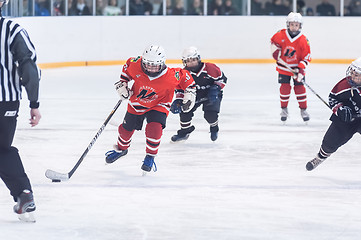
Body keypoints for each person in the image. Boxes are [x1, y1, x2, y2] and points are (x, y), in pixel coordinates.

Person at [105, 45, 196, 172]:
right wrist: (123, 84)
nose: (151, 69)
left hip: (160, 104)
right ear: (143, 61)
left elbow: (188, 82)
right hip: (137, 102)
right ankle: (121, 149)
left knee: (154, 129)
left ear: (162, 64)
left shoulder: (171, 75)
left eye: (155, 66)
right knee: (125, 131)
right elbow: (127, 69)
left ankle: (150, 156)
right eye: (148, 65)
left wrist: (187, 97)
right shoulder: (135, 64)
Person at [0, 0, 41, 222]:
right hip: (6, 102)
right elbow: (28, 67)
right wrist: (34, 103)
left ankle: (23, 193)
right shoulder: (13, 30)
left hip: (6, 101)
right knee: (2, 149)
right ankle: (23, 194)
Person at [306, 58, 361, 171]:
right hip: (346, 120)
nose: (352, 77)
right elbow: (332, 98)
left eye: (356, 75)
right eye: (352, 73)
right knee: (330, 141)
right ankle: (320, 157)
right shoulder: (345, 85)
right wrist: (339, 109)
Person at [170, 47, 227, 142]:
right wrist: (179, 100)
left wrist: (215, 88)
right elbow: (180, 89)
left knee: (210, 115)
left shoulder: (210, 68)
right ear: (184, 62)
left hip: (211, 94)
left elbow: (222, 80)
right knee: (185, 110)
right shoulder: (184, 73)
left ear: (198, 59)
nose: (191, 62)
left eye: (194, 59)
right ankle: (185, 131)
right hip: (194, 95)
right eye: (188, 60)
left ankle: (214, 127)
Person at [270, 12, 311, 122]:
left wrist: (301, 69)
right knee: (284, 88)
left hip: (297, 69)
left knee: (300, 88)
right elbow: (273, 43)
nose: (294, 27)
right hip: (284, 68)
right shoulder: (280, 35)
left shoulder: (303, 40)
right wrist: (275, 50)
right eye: (292, 24)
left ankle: (303, 109)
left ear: (300, 26)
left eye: (296, 25)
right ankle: (284, 109)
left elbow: (306, 57)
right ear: (288, 24)